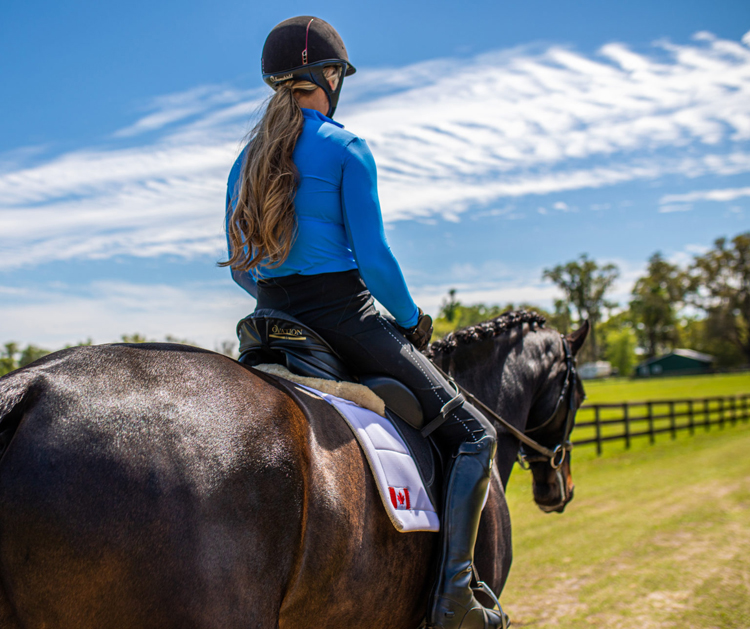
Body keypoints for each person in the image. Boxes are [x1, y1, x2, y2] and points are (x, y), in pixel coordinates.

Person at [223, 16, 505, 629]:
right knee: (476, 435)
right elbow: (374, 261)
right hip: (343, 317)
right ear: (329, 77)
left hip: (267, 323)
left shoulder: (245, 160)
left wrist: (275, 295)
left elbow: (239, 268)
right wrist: (411, 318)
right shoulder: (347, 148)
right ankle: (454, 598)